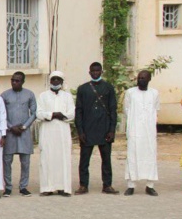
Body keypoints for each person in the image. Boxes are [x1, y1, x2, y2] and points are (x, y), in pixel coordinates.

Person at [75, 62, 119, 194]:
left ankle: (107, 185)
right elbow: (79, 111)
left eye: (97, 71)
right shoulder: (83, 89)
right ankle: (83, 185)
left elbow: (113, 110)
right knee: (84, 160)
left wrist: (112, 130)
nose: (95, 73)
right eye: (93, 71)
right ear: (89, 72)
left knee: (106, 159)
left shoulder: (108, 88)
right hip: (87, 130)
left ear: (101, 72)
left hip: (105, 129)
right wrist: (80, 131)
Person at [37, 71, 74, 196]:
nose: (56, 81)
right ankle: (47, 188)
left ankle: (63, 188)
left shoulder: (67, 96)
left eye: (58, 79)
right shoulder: (43, 96)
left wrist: (62, 115)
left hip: (62, 131)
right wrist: (51, 115)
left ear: (62, 82)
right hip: (48, 131)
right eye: (53, 79)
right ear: (50, 81)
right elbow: (39, 113)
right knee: (47, 158)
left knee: (63, 158)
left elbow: (72, 113)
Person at [121, 70, 159, 196]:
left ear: (149, 79)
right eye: (139, 78)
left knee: (150, 155)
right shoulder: (130, 93)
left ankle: (150, 185)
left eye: (143, 78)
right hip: (135, 130)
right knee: (133, 156)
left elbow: (156, 109)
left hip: (149, 131)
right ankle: (131, 185)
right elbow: (126, 110)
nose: (140, 80)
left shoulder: (154, 93)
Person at [1, 71, 36, 197]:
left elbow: (33, 113)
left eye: (18, 80)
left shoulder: (30, 94)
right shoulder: (4, 95)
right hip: (10, 133)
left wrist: (24, 126)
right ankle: (8, 187)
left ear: (23, 81)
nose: (15, 82)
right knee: (7, 160)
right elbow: (0, 114)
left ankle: (23, 187)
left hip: (24, 133)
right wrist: (10, 127)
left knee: (25, 161)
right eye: (13, 80)